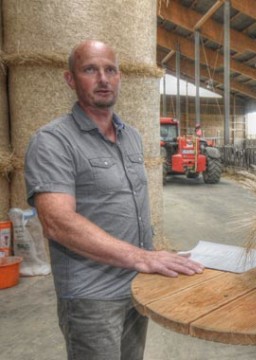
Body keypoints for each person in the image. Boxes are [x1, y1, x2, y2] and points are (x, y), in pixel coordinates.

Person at [24, 40, 204, 360]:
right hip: (92, 296)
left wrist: (148, 260)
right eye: (91, 70)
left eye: (110, 70)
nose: (103, 79)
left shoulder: (131, 136)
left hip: (137, 288)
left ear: (120, 77)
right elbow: (57, 223)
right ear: (70, 79)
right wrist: (142, 257)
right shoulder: (53, 141)